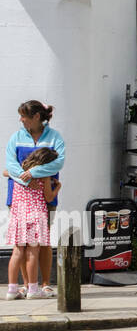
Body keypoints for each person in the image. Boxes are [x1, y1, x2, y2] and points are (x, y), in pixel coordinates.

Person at [5, 100, 65, 297]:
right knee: (26, 244)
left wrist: (33, 173)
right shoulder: (16, 137)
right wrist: (24, 180)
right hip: (20, 196)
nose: (21, 120)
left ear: (36, 117)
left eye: (24, 116)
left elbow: (58, 163)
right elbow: (10, 164)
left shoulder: (55, 137)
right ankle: (28, 286)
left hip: (42, 200)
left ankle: (44, 283)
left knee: (42, 243)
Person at [5, 148, 61, 300]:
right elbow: (49, 198)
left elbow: (5, 172)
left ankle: (11, 289)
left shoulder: (20, 169)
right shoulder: (44, 175)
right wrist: (58, 187)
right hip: (35, 216)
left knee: (17, 252)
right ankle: (33, 289)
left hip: (18, 216)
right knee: (33, 253)